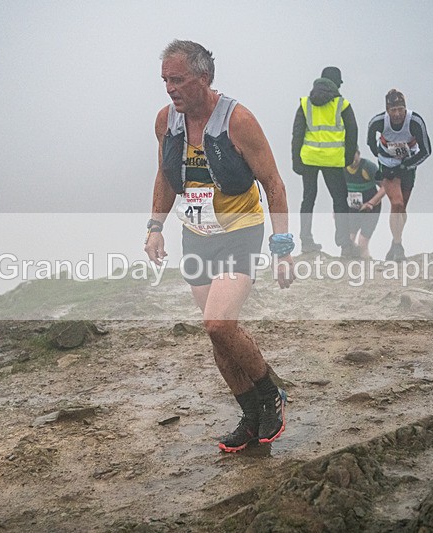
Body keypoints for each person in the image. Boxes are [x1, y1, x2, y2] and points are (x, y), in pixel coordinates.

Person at [144, 40, 294, 453]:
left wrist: (283, 249)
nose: (170, 89)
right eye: (165, 81)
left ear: (204, 78)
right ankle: (250, 416)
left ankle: (270, 393)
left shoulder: (238, 121)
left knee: (218, 323)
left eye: (178, 80)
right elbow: (166, 175)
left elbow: (275, 185)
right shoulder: (166, 121)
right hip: (196, 234)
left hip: (240, 230)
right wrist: (155, 226)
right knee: (218, 335)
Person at [292, 66, 359, 257]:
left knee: (308, 199)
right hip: (334, 160)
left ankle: (306, 241)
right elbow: (353, 132)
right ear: (337, 83)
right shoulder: (342, 104)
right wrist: (347, 157)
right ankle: (345, 245)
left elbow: (297, 133)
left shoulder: (305, 103)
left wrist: (296, 160)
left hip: (309, 158)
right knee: (339, 200)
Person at [366, 89, 431, 261]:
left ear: (405, 108)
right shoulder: (379, 121)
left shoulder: (415, 121)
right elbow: (369, 140)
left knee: (402, 209)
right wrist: (381, 157)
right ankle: (398, 246)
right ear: (387, 110)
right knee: (397, 203)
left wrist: (406, 165)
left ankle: (395, 243)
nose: (397, 114)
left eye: (400, 109)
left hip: (409, 164)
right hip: (387, 165)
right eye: (393, 110)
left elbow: (427, 151)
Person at [344, 150, 386, 259]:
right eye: (349, 158)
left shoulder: (368, 167)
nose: (352, 161)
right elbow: (339, 190)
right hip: (353, 207)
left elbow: (385, 187)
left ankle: (366, 263)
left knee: (362, 242)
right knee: (348, 241)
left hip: (371, 208)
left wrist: (371, 203)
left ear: (358, 154)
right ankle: (350, 266)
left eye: (354, 157)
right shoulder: (341, 167)